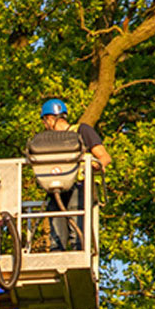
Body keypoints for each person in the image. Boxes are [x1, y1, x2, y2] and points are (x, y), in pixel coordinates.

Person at [38, 98, 112, 250]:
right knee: (56, 238)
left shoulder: (81, 131)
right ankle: (57, 261)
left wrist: (95, 165)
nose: (45, 127)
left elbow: (104, 157)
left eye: (45, 122)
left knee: (76, 233)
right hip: (55, 189)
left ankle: (79, 252)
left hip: (78, 187)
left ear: (50, 119)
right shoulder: (47, 140)